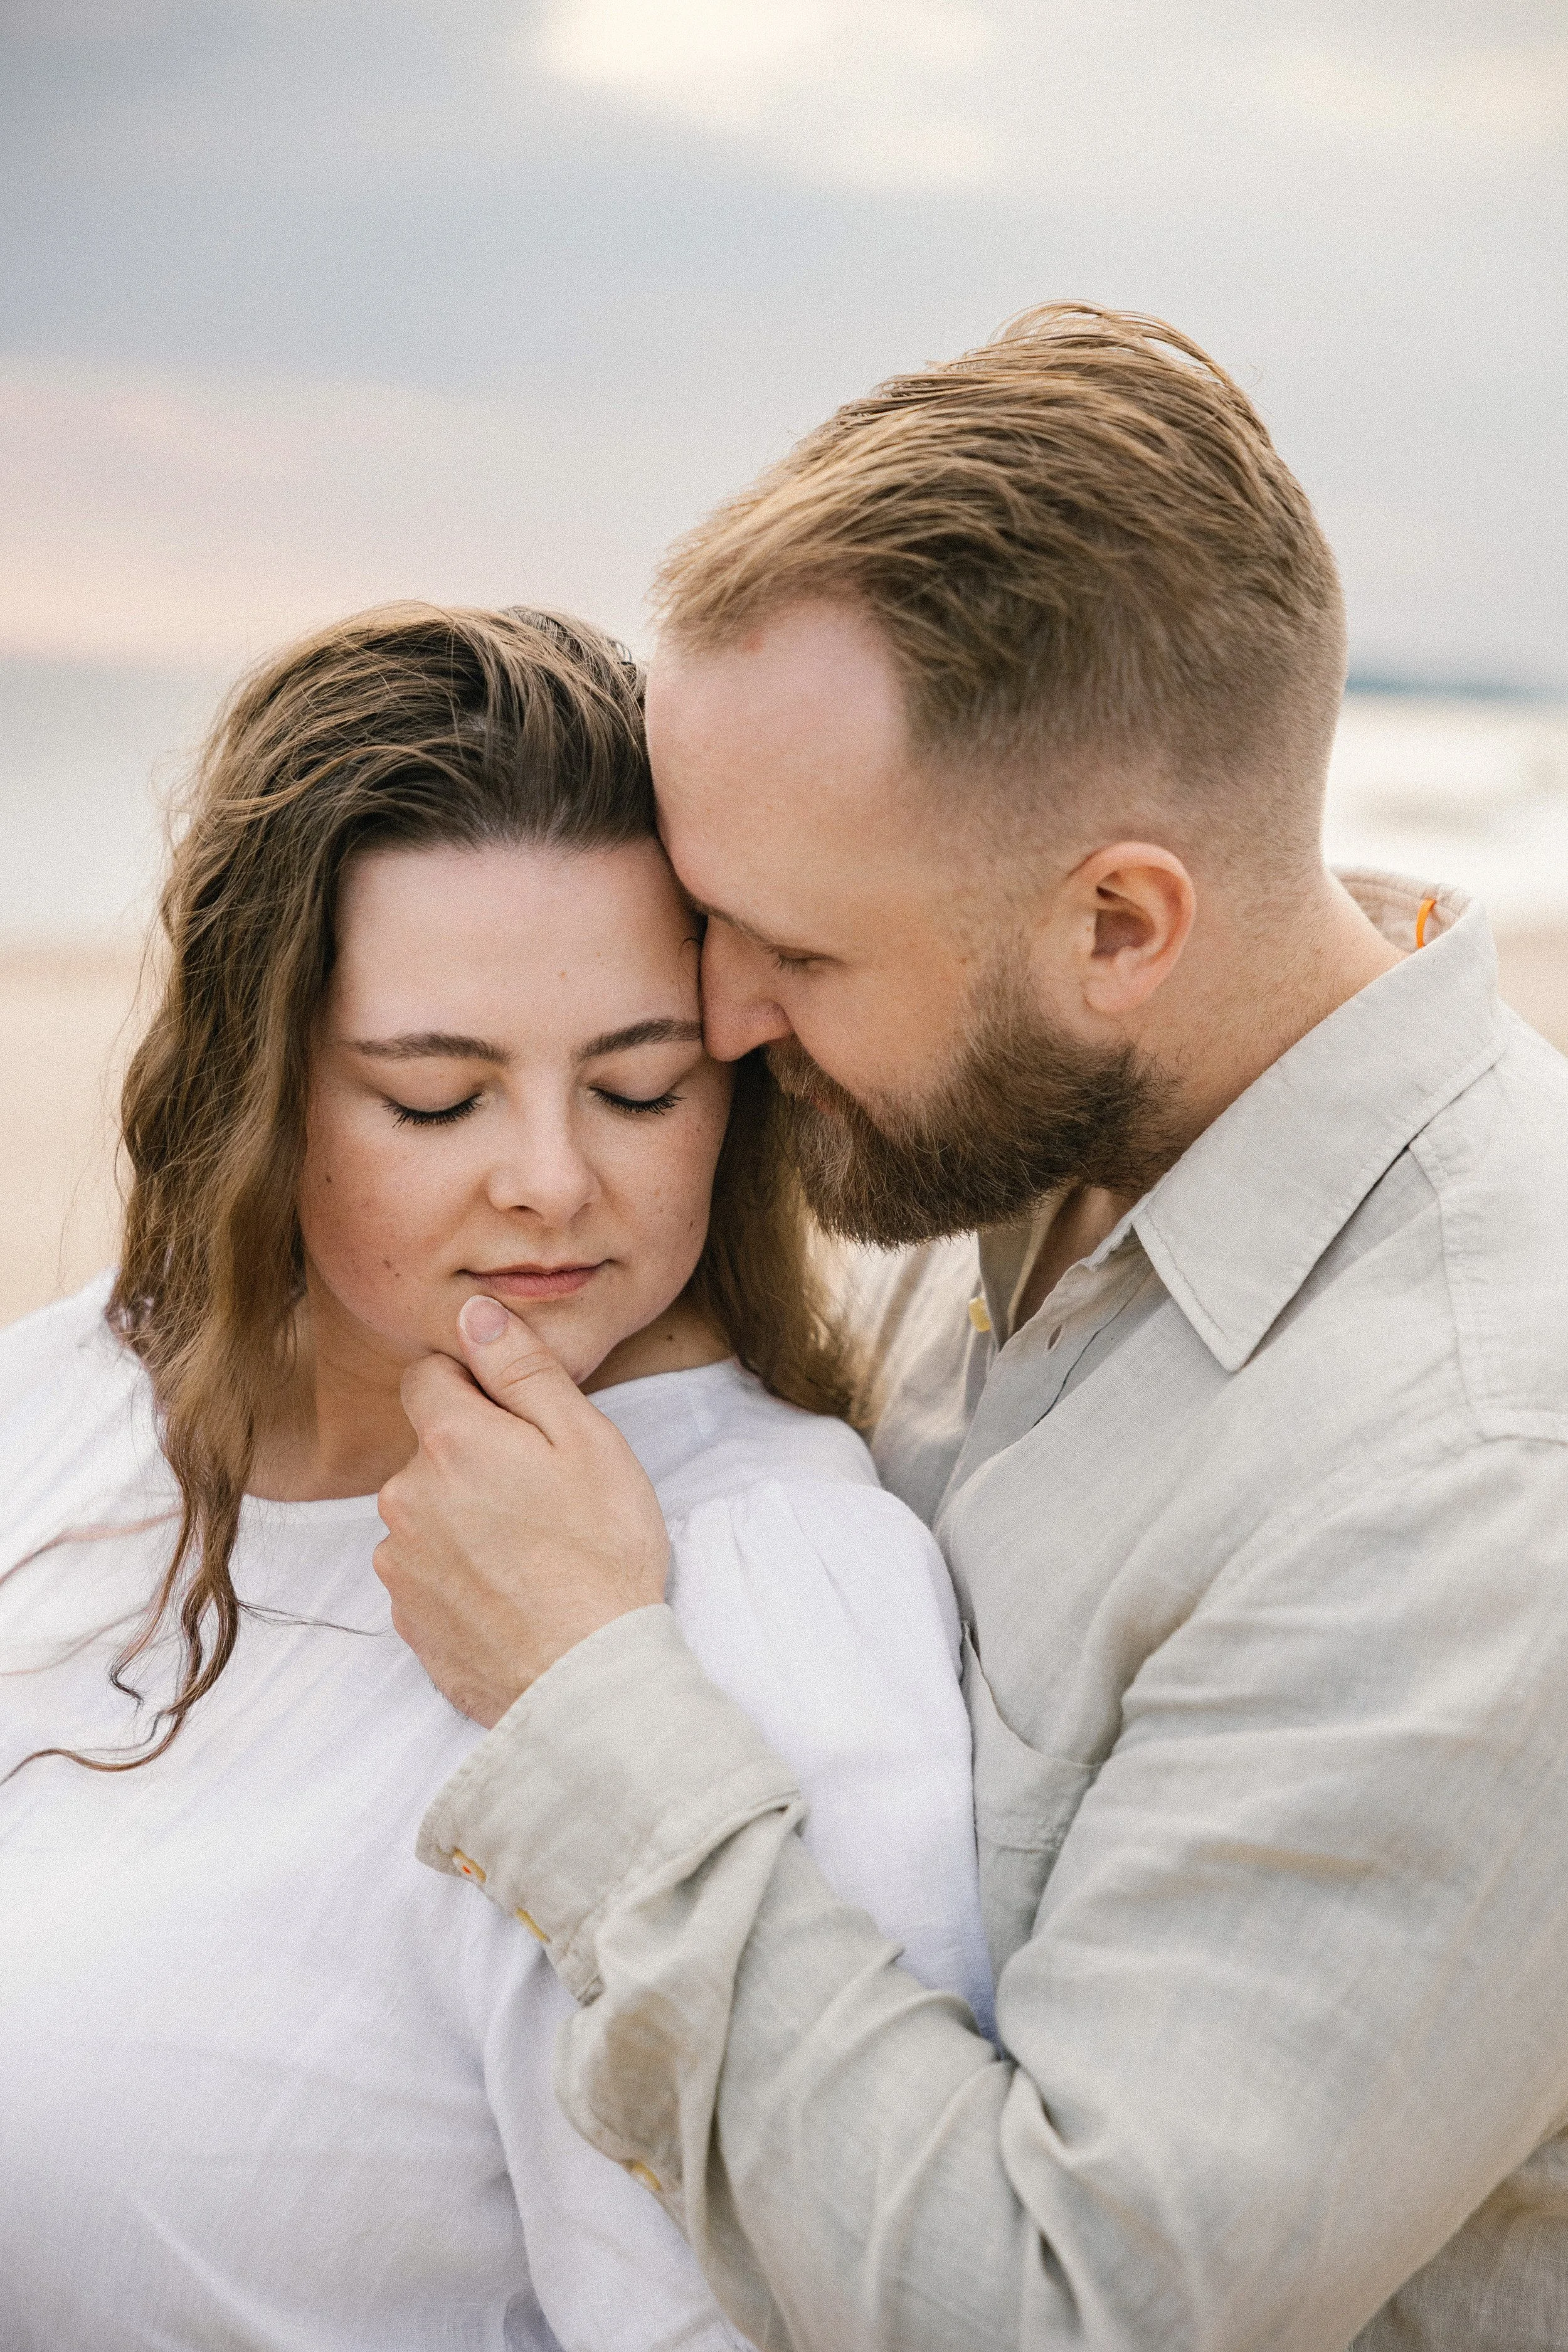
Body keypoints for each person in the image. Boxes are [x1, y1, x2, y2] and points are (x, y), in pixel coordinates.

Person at [377, 307, 1568, 2352]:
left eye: (799, 948)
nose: (726, 1017)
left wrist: (586, 1698)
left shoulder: (1470, 1475)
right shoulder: (1014, 1123)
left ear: (1118, 926)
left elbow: (1059, 2304)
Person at [0, 605, 992, 2352]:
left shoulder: (774, 1595)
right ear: (258, 1088)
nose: (549, 1179)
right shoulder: (72, 1392)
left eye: (636, 1084)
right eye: (437, 1098)